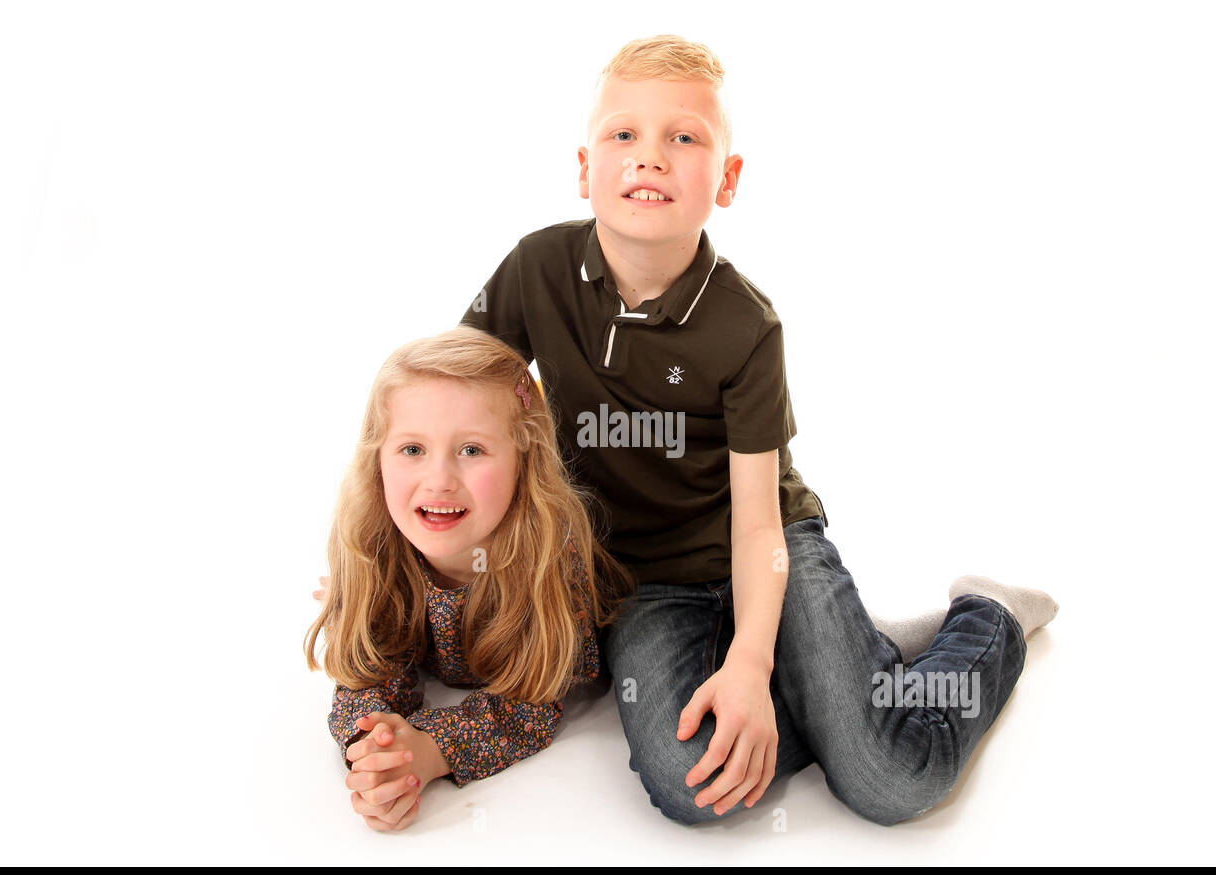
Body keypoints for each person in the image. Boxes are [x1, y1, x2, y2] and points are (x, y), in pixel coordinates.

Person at [460, 35, 1059, 826]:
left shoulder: (746, 325)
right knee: (692, 783)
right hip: (646, 579)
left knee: (891, 780)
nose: (650, 157)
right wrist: (393, 555)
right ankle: (847, 663)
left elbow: (757, 522)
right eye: (623, 135)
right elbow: (456, 414)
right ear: (584, 167)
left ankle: (986, 617)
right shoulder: (535, 269)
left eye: (684, 137)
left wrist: (748, 662)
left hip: (769, 542)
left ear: (728, 179)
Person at [304, 327, 631, 831]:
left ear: (524, 462)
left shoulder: (546, 557)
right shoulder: (372, 547)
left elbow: (532, 702)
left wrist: (432, 751)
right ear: (378, 460)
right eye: (412, 449)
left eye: (472, 450)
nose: (439, 479)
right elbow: (367, 669)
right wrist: (377, 751)